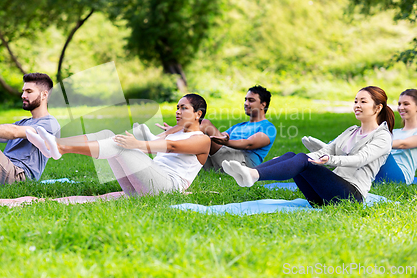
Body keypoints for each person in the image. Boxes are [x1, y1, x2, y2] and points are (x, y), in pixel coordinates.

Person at [222, 86, 394, 206]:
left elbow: (360, 159)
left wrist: (330, 160)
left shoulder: (382, 137)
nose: (357, 105)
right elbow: (327, 150)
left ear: (377, 107)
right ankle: (249, 173)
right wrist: (283, 162)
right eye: (356, 101)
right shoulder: (352, 131)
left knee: (302, 160)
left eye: (363, 102)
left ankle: (252, 174)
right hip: (324, 196)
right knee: (291, 156)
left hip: (350, 196)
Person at [26, 94, 211, 195]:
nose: (178, 111)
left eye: (183, 108)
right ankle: (54, 143)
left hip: (167, 188)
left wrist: (137, 144)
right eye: (177, 107)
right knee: (109, 135)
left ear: (198, 114)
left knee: (120, 145)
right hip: (143, 186)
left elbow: (172, 147)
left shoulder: (202, 140)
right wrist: (172, 130)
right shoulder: (175, 132)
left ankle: (60, 149)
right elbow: (160, 141)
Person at [303, 89, 417, 185]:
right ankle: (329, 149)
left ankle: (331, 152)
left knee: (378, 146)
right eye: (399, 104)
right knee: (365, 145)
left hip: (400, 177)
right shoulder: (394, 132)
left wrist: (374, 143)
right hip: (376, 175)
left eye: (406, 104)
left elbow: (403, 144)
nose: (401, 107)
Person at [152, 85, 276, 173]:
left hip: (244, 163)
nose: (246, 103)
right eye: (245, 100)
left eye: (251, 100)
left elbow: (249, 144)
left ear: (263, 104)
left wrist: (226, 142)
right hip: (224, 156)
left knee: (205, 124)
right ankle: (164, 154)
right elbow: (219, 136)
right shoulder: (239, 126)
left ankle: (159, 140)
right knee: (201, 138)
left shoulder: (268, 128)